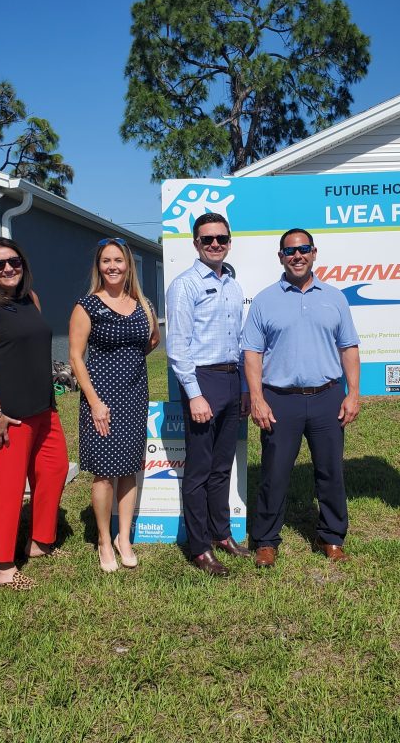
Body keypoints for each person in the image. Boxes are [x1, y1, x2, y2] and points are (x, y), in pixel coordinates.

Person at [241, 229, 361, 569]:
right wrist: (257, 398)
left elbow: (348, 347)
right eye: (290, 251)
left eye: (303, 249)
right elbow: (252, 353)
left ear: (314, 253)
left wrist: (353, 393)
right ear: (281, 256)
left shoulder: (335, 297)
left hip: (327, 398)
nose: (297, 255)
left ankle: (332, 537)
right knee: (274, 473)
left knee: (330, 472)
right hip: (280, 400)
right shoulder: (265, 300)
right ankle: (266, 540)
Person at [0, 237, 70, 590]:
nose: (8, 269)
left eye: (14, 262)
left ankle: (40, 542)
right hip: (5, 417)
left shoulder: (30, 300)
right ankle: (4, 567)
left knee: (53, 470)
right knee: (7, 489)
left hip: (41, 409)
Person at [166, 212, 250, 577]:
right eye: (207, 239)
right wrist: (195, 394)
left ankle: (221, 535)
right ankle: (199, 547)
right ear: (196, 243)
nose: (215, 244)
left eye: (221, 238)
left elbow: (240, 342)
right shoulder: (185, 285)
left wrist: (245, 387)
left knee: (222, 468)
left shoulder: (232, 282)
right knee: (199, 471)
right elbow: (178, 347)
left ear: (229, 241)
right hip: (203, 381)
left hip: (231, 380)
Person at [68, 238, 159, 573]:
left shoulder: (142, 304)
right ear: (99, 266)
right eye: (106, 261)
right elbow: (76, 358)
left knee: (129, 470)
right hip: (102, 397)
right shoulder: (87, 305)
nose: (112, 266)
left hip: (135, 394)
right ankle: (104, 541)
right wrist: (95, 402)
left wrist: (130, 363)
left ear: (127, 265)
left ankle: (124, 538)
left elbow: (151, 342)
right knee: (105, 473)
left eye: (118, 260)